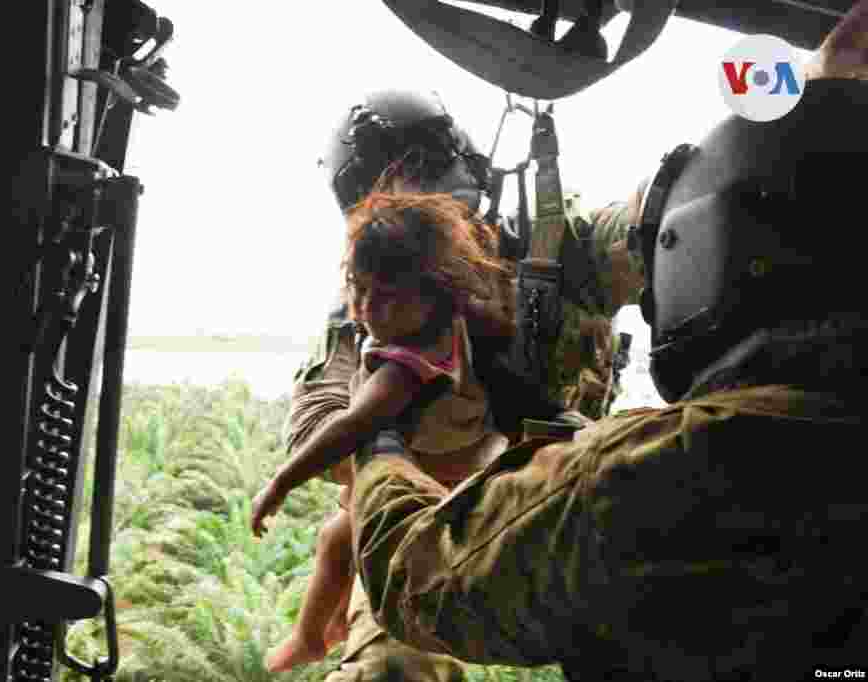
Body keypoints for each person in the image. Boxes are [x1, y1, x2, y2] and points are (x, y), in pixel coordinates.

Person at [344, 15, 868, 680]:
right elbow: (706, 210)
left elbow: (688, 207)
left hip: (528, 500)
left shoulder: (554, 253)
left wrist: (805, 87)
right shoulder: (361, 331)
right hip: (439, 504)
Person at [281, 88, 646, 682]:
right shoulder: (370, 313)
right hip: (422, 510)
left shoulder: (550, 246)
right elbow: (315, 419)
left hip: (563, 482)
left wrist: (674, 218)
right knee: (392, 670)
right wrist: (386, 429)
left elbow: (640, 234)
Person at [253, 191, 513, 672]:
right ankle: (317, 633)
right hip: (457, 462)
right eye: (358, 288)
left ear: (436, 293)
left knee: (336, 540)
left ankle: (311, 637)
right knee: (336, 536)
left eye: (388, 296)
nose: (368, 307)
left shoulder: (403, 369)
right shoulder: (454, 325)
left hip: (427, 478)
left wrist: (280, 482)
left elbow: (353, 425)